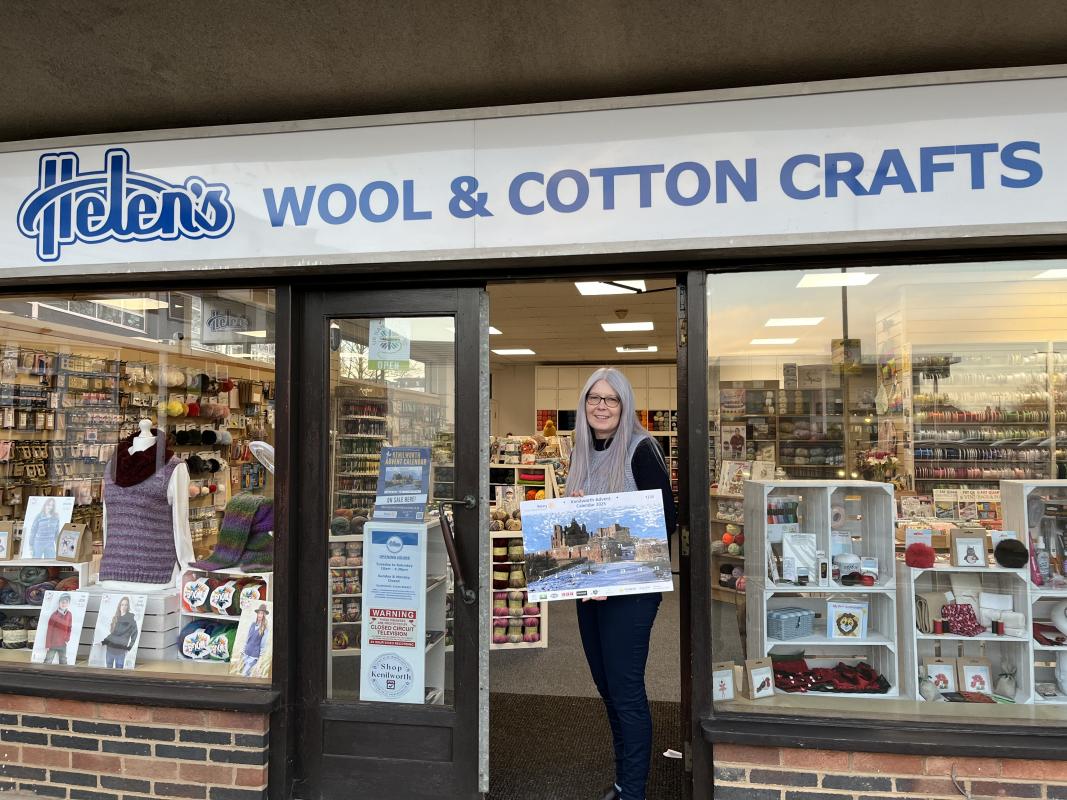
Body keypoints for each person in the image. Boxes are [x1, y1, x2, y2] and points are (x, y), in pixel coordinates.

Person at [567, 367, 677, 800]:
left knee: (626, 690)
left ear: (625, 404)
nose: (601, 406)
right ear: (584, 404)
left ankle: (633, 791)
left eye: (611, 399)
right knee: (607, 687)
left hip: (631, 591)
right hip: (590, 587)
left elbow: (665, 521)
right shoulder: (581, 451)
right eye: (594, 398)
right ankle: (622, 780)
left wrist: (605, 525)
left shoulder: (641, 449)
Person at [101, 596, 138, 668]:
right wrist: (103, 642)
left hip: (120, 651)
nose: (124, 607)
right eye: (122, 604)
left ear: (128, 606)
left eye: (126, 605)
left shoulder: (131, 619)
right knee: (108, 672)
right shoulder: (115, 618)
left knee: (118, 672)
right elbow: (112, 634)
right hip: (110, 650)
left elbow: (134, 634)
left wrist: (129, 647)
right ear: (119, 606)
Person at [240, 603, 270, 676]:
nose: (259, 615)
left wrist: (260, 657)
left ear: (264, 615)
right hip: (246, 652)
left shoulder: (265, 628)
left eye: (261, 613)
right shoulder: (252, 624)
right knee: (247, 673)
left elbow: (263, 644)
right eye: (259, 613)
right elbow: (247, 639)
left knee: (244, 673)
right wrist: (243, 650)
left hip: (254, 655)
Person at [44, 593, 73, 664]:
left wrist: (67, 639)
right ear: (59, 603)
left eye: (66, 602)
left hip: (63, 644)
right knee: (48, 660)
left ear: (68, 603)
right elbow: (49, 631)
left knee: (63, 661)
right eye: (62, 602)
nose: (64, 604)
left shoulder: (69, 614)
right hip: (53, 644)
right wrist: (48, 645)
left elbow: (69, 628)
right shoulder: (54, 615)